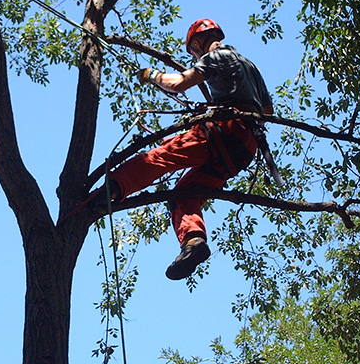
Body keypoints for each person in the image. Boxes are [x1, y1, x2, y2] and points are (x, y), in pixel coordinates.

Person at [93, 18, 273, 280]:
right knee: (184, 194)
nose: (195, 55)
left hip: (224, 130)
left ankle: (109, 190)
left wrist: (152, 75)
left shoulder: (218, 55)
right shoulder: (249, 65)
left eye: (193, 51)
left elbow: (178, 83)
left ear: (199, 43)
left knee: (162, 156)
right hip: (244, 149)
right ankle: (193, 242)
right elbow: (266, 111)